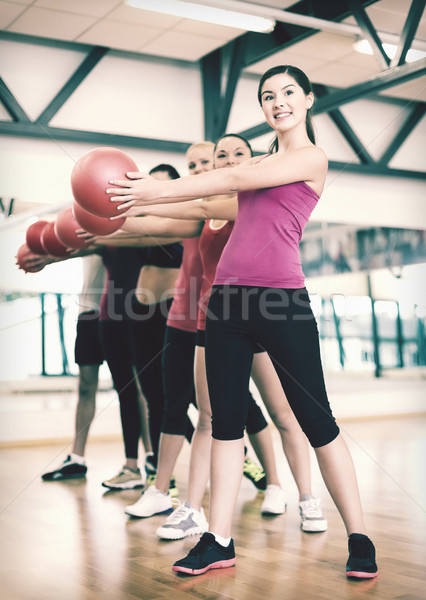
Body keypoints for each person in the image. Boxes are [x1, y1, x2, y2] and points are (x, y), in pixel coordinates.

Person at [106, 65, 379, 579]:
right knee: (225, 425)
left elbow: (229, 177)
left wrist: (151, 189)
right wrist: (125, 210)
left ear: (309, 99)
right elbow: (209, 199)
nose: (278, 102)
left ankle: (359, 536)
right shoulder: (259, 164)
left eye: (288, 93)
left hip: (282, 302)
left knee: (316, 421)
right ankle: (219, 540)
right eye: (268, 96)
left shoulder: (310, 158)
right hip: (225, 305)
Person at [121, 134, 326, 535]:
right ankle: (193, 507)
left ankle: (302, 495)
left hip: (262, 312)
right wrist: (110, 216)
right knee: (209, 419)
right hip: (217, 320)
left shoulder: (248, 197)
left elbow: (198, 199)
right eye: (221, 156)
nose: (225, 161)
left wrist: (150, 192)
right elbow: (182, 212)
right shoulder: (211, 207)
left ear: (252, 162)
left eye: (237, 155)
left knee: (284, 414)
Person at [41, 254, 106, 480]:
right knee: (86, 386)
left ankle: (148, 459)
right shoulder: (87, 220)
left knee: (136, 389)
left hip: (124, 310)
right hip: (89, 310)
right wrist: (45, 255)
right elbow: (71, 245)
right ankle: (77, 458)